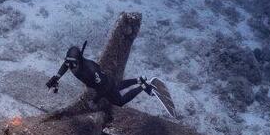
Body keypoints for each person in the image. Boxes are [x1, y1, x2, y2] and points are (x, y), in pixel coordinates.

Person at [46, 42, 178, 117]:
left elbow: (103, 88)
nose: (70, 65)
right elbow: (65, 65)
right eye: (68, 61)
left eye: (72, 62)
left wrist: (95, 100)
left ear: (79, 60)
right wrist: (57, 77)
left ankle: (145, 86)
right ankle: (140, 79)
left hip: (104, 84)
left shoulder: (90, 70)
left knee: (118, 101)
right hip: (106, 79)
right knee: (117, 85)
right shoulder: (72, 63)